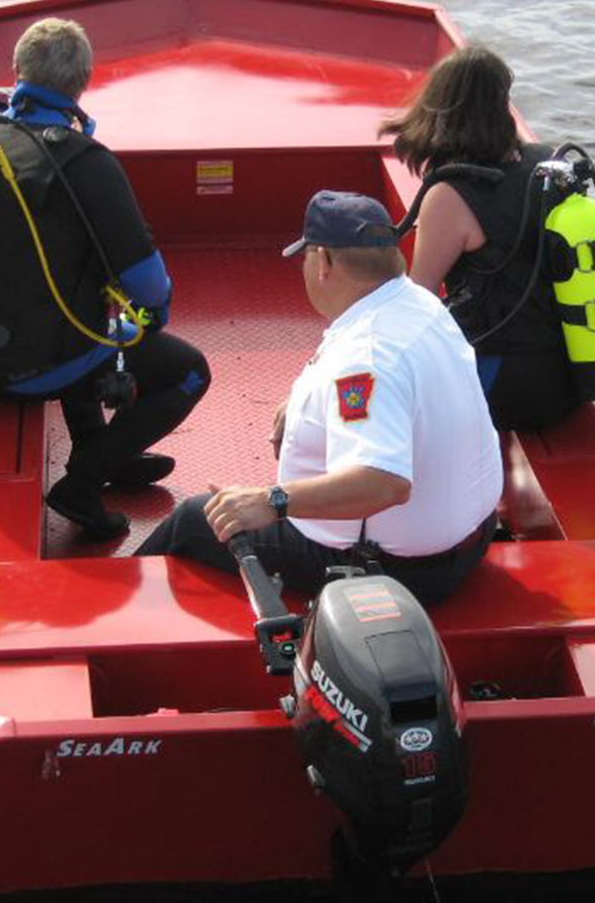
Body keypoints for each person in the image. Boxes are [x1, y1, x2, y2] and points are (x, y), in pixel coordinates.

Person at [0, 18, 210, 540]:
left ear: (17, 71)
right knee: (187, 370)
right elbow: (150, 288)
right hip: (38, 371)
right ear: (84, 82)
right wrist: (150, 319)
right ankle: (84, 480)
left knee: (84, 325)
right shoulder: (88, 165)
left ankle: (105, 453)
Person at [135, 191, 502, 605]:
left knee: (194, 519)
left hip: (402, 571)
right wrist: (301, 402)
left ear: (324, 261)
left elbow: (384, 483)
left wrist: (270, 502)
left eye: (305, 257)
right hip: (470, 540)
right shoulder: (418, 303)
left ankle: (117, 620)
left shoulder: (367, 355)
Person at [379, 45, 580, 431]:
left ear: (440, 108)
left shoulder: (451, 196)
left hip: (505, 388)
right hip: (569, 379)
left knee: (374, 398)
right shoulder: (549, 165)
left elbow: (418, 300)